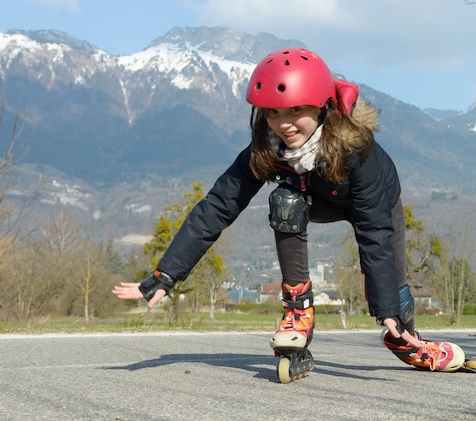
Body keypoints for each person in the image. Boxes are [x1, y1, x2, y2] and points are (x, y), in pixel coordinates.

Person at [112, 47, 426, 367]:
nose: (283, 124)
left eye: (294, 110)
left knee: (394, 299)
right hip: (315, 199)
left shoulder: (355, 147)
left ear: (321, 106)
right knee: (285, 202)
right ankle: (297, 310)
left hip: (377, 206)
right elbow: (219, 205)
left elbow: (374, 231)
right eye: (273, 113)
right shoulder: (268, 147)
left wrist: (386, 307)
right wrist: (166, 274)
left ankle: (406, 335)